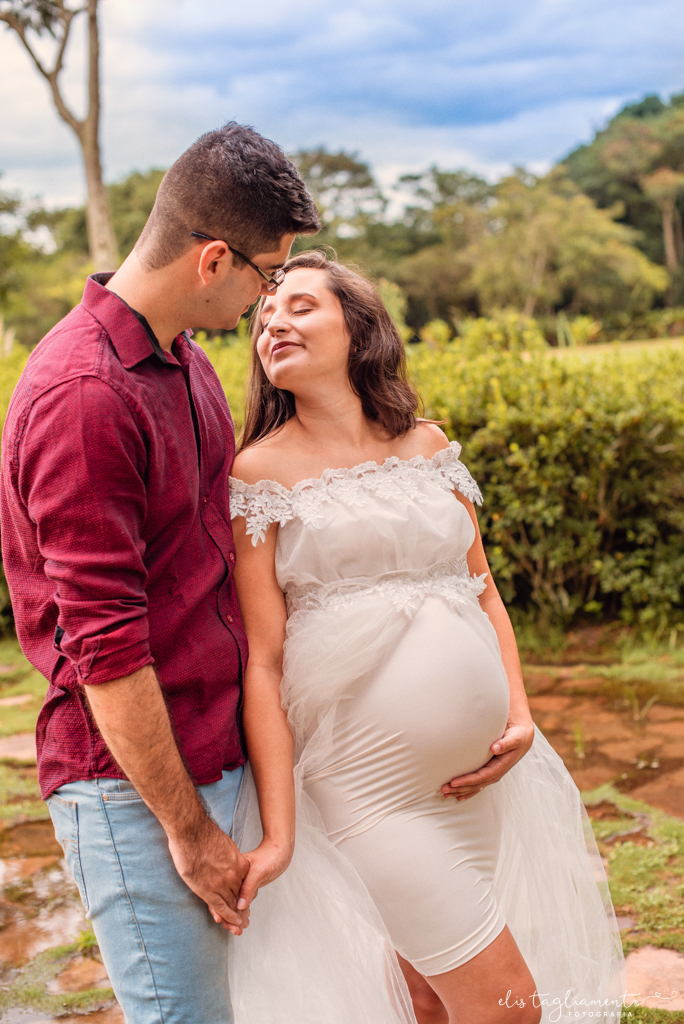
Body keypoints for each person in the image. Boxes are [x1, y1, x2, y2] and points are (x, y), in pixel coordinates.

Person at [227, 250, 627, 1024]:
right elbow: (264, 662)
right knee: (509, 1008)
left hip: (476, 785)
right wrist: (279, 832)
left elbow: (483, 591)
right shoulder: (258, 473)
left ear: (360, 326)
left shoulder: (429, 445)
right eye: (264, 316)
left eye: (301, 306)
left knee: (426, 998)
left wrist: (518, 712)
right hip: (371, 793)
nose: (273, 321)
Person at [0, 123, 320, 1024]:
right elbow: (102, 645)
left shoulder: (184, 364)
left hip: (216, 750)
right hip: (135, 786)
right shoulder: (85, 394)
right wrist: (188, 831)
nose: (269, 299)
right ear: (214, 258)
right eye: (268, 273)